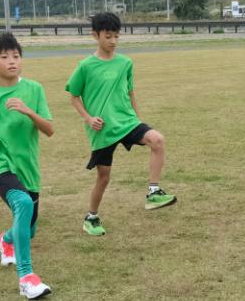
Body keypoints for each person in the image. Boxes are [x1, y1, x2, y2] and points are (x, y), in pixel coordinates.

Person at [66, 12, 176, 236]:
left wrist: (137, 118)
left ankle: (153, 192)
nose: (113, 41)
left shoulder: (126, 62)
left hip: (127, 122)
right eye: (108, 36)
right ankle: (91, 217)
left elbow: (130, 91)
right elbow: (74, 96)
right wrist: (88, 118)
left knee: (157, 140)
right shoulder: (85, 66)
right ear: (95, 36)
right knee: (104, 177)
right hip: (103, 128)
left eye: (117, 36)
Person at [0, 32, 54, 300]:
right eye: (4, 57)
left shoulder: (34, 89)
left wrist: (28, 110)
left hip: (27, 165)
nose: (12, 61)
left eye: (16, 56)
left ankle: (6, 241)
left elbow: (49, 129)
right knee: (23, 204)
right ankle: (27, 278)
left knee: (29, 228)